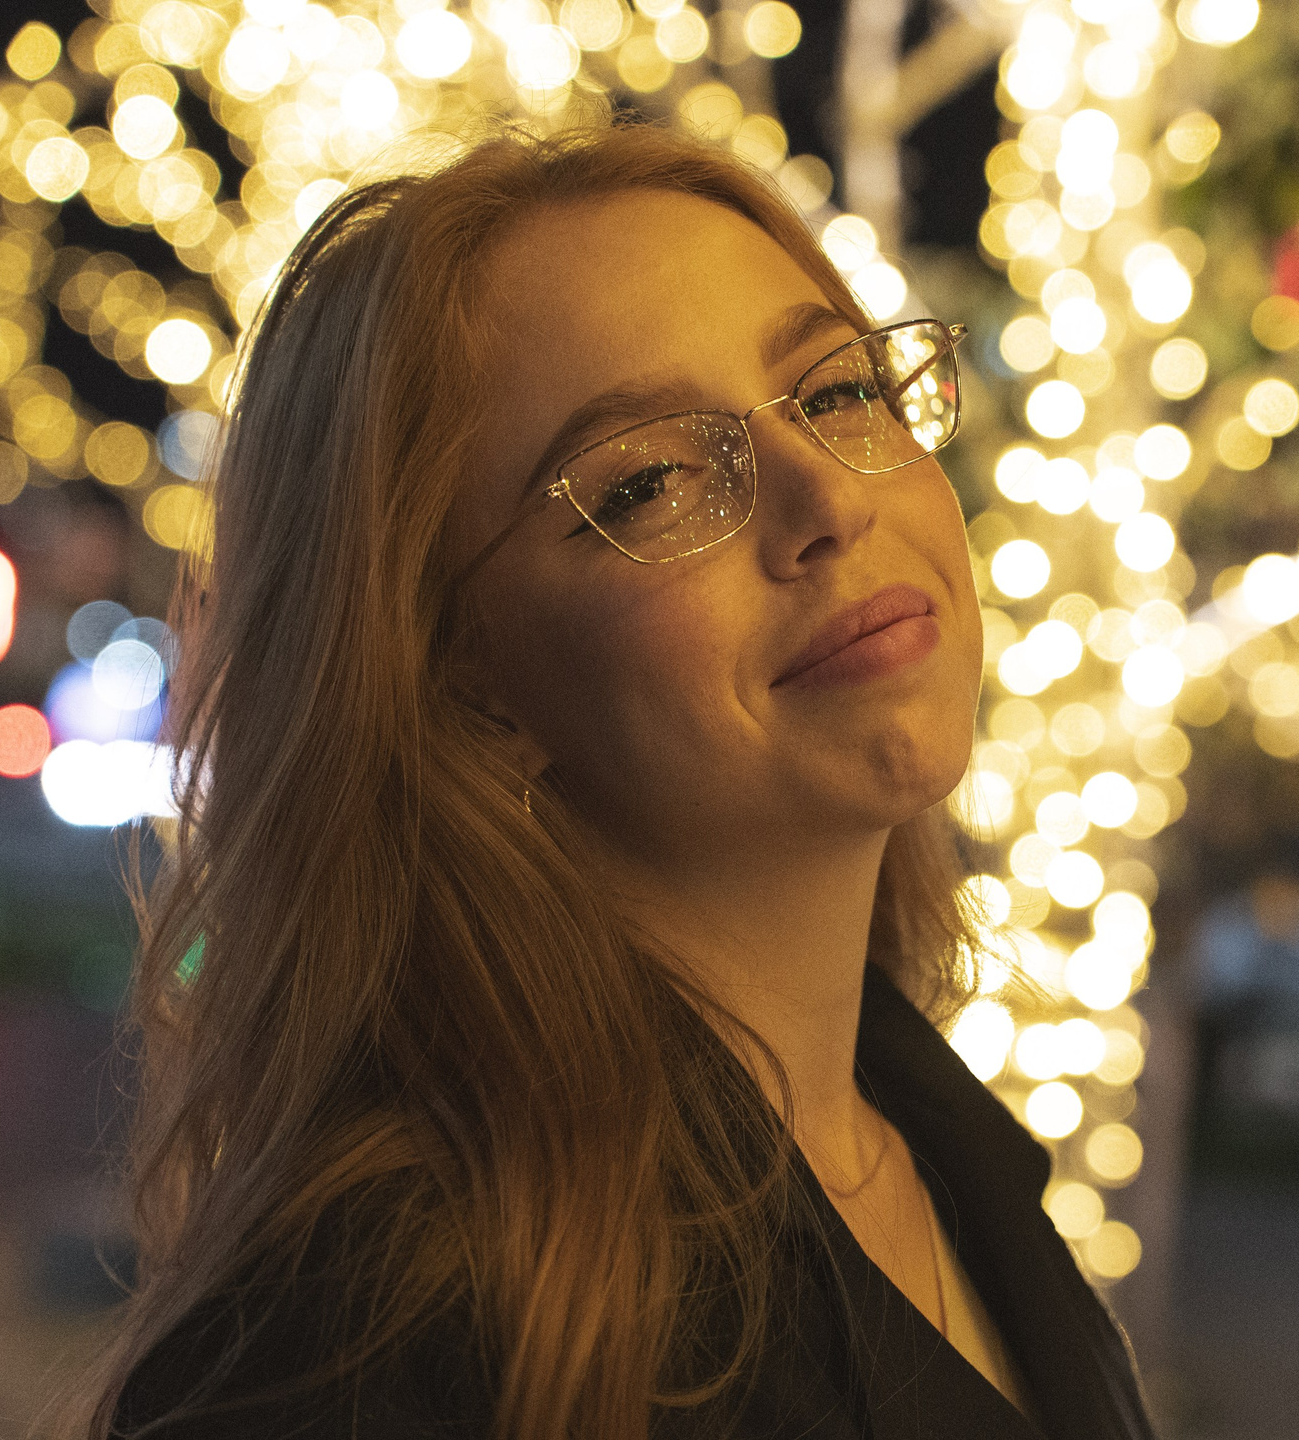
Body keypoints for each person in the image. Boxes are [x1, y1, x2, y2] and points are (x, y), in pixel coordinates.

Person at [63, 123, 1155, 1440]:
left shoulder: (946, 1146)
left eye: (836, 391)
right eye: (647, 482)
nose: (827, 498)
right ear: (459, 680)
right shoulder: (373, 1347)